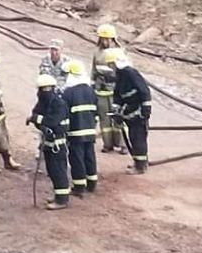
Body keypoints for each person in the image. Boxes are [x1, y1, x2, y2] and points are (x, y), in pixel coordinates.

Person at [105, 48, 153, 174]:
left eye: (111, 64)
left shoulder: (130, 73)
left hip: (138, 112)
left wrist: (146, 108)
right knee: (133, 137)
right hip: (130, 112)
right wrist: (116, 110)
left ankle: (140, 166)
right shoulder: (120, 75)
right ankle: (138, 162)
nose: (110, 67)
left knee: (138, 138)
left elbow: (144, 91)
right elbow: (118, 94)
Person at [28, 74, 71, 210]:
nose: (43, 92)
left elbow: (51, 121)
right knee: (51, 171)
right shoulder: (43, 102)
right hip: (47, 143)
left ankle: (62, 200)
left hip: (57, 144)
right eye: (42, 89)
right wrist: (38, 121)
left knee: (59, 171)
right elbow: (37, 115)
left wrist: (36, 119)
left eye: (46, 89)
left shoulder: (59, 103)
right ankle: (58, 196)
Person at [62, 59, 98, 195]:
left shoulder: (68, 93)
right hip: (90, 131)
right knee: (90, 156)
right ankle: (92, 183)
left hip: (75, 132)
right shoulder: (90, 90)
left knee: (77, 159)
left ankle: (79, 187)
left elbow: (64, 113)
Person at [90, 24, 124, 154]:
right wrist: (92, 85)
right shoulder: (97, 52)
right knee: (104, 119)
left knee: (119, 118)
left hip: (116, 90)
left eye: (107, 39)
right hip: (101, 90)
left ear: (113, 39)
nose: (104, 41)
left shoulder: (119, 52)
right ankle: (108, 144)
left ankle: (122, 144)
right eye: (102, 39)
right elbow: (93, 69)